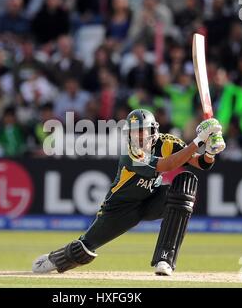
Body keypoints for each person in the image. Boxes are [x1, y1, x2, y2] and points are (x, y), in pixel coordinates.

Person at [32, 109, 225, 276]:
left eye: (142, 132)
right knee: (83, 249)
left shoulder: (168, 142)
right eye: (134, 133)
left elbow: (199, 163)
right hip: (119, 209)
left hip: (150, 200)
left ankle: (164, 259)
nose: (138, 138)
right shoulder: (131, 154)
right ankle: (54, 259)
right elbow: (167, 165)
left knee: (185, 185)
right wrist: (199, 139)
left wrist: (210, 151)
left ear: (154, 131)